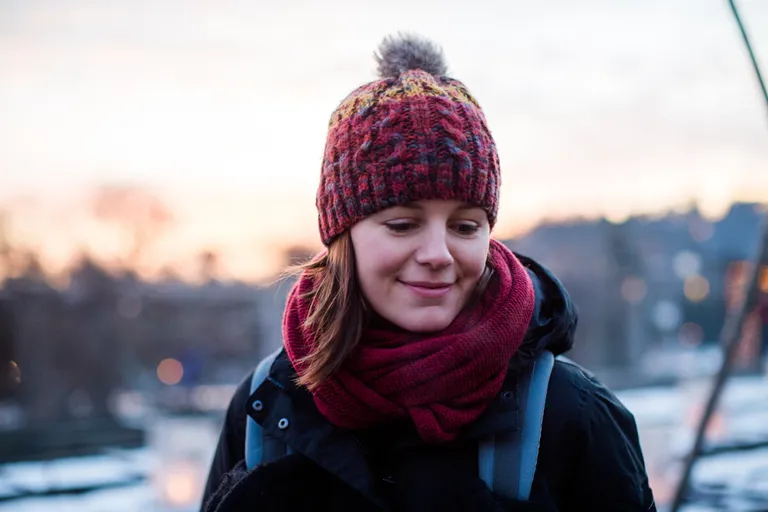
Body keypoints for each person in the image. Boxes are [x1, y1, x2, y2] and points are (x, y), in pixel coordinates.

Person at [201, 33, 656, 512]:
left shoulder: (570, 414)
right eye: (403, 224)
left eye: (465, 226)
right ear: (342, 237)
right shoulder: (265, 411)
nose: (438, 254)